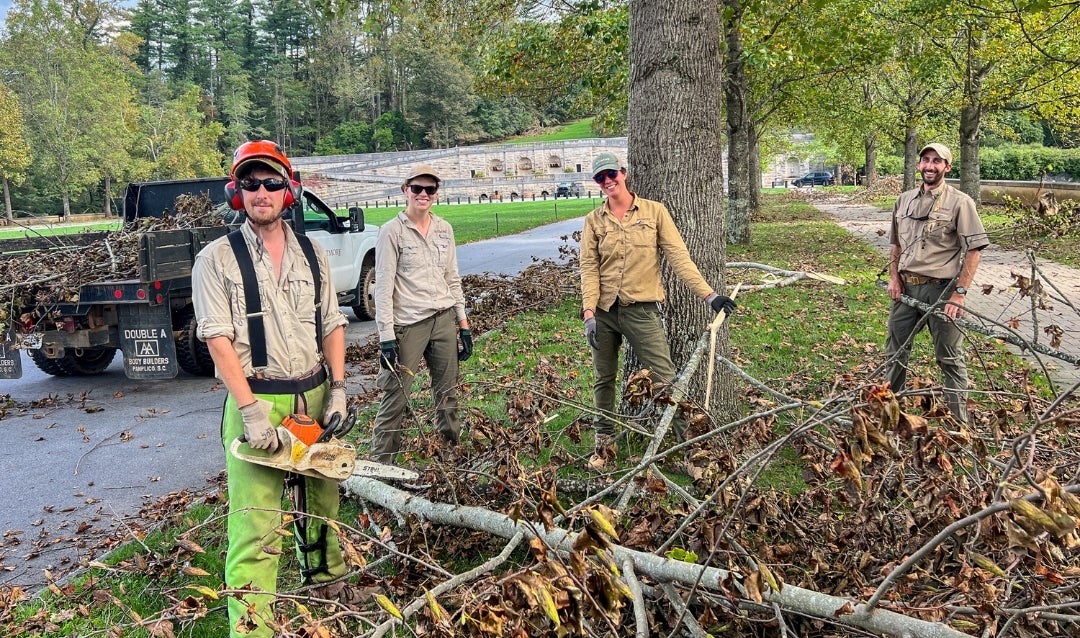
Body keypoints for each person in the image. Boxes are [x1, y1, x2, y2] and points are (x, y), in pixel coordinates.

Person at [192, 140, 351, 637]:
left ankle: (325, 582)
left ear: (290, 190)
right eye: (251, 183)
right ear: (236, 192)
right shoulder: (216, 259)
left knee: (323, 499)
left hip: (314, 396)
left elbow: (332, 323)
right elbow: (218, 340)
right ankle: (253, 625)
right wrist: (250, 410)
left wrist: (340, 387)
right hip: (258, 399)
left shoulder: (313, 252)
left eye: (272, 182)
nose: (262, 191)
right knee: (257, 521)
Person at [579, 152, 736, 471]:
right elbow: (588, 269)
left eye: (611, 174)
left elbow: (679, 258)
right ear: (596, 184)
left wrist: (710, 296)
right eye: (600, 178)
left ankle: (694, 453)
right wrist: (589, 314)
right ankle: (604, 448)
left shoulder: (654, 212)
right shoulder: (594, 221)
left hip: (641, 310)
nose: (607, 181)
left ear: (623, 173)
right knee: (604, 379)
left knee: (665, 379)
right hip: (604, 313)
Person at [370, 163, 471, 465]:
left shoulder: (444, 229)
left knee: (447, 393)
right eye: (417, 188)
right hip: (408, 326)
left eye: (430, 189)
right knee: (396, 396)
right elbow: (383, 286)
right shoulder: (392, 232)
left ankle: (450, 453)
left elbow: (452, 277)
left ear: (436, 194)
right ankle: (381, 465)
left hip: (443, 320)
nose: (423, 194)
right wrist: (386, 336)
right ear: (405, 191)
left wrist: (462, 323)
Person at [885, 142, 989, 424]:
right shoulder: (903, 200)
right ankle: (889, 417)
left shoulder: (960, 203)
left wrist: (959, 294)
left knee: (950, 358)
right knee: (895, 353)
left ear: (947, 167)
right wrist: (894, 278)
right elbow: (896, 245)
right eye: (925, 160)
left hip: (941, 291)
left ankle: (960, 425)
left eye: (937, 161)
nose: (930, 166)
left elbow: (974, 251)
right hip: (905, 289)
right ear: (919, 165)